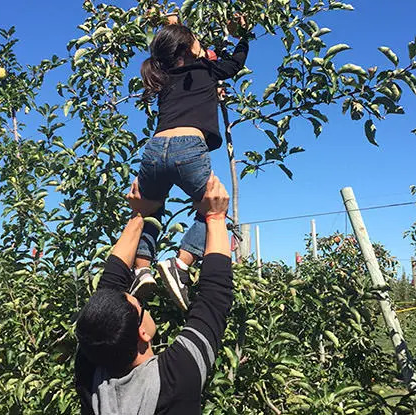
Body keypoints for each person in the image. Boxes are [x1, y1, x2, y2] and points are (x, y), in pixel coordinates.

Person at [74, 174, 233, 415]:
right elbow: (214, 298)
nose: (139, 299)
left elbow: (109, 289)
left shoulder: (92, 375)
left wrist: (139, 215)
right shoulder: (175, 377)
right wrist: (217, 215)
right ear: (143, 333)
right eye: (139, 306)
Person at [130, 16, 251, 311]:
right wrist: (244, 34)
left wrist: (174, 26)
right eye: (196, 39)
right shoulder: (207, 68)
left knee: (149, 211)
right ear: (189, 49)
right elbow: (235, 63)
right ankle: (180, 265)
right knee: (215, 209)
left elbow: (178, 46)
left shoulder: (163, 74)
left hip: (154, 149)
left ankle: (141, 270)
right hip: (188, 147)